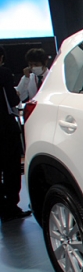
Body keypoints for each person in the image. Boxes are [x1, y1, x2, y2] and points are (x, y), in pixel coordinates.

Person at [1, 46, 30, 222]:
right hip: (4, 128)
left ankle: (2, 206)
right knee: (11, 168)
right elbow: (13, 100)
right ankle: (11, 207)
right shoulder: (3, 73)